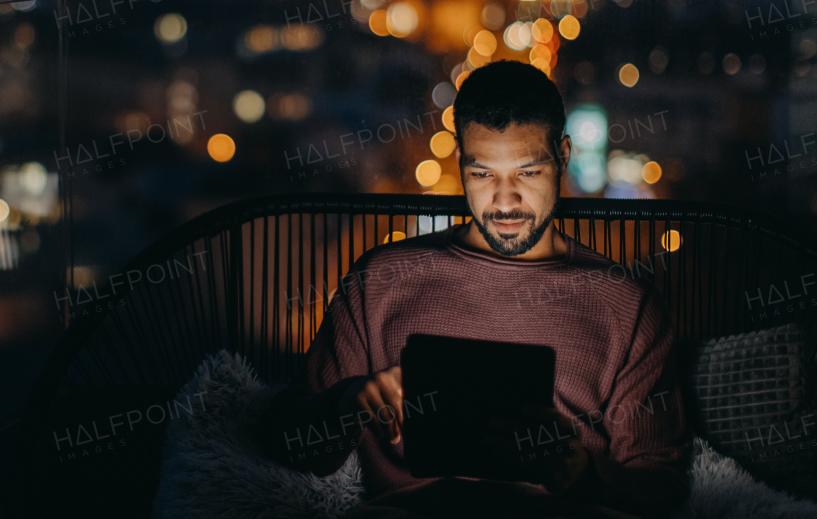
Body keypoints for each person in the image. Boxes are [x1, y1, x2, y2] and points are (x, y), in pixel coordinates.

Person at [259, 60, 691, 518]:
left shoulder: (625, 307)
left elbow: (663, 487)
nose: (504, 201)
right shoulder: (380, 282)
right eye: (483, 174)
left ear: (563, 157)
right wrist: (348, 403)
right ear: (461, 162)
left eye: (528, 173)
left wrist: (585, 472)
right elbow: (284, 442)